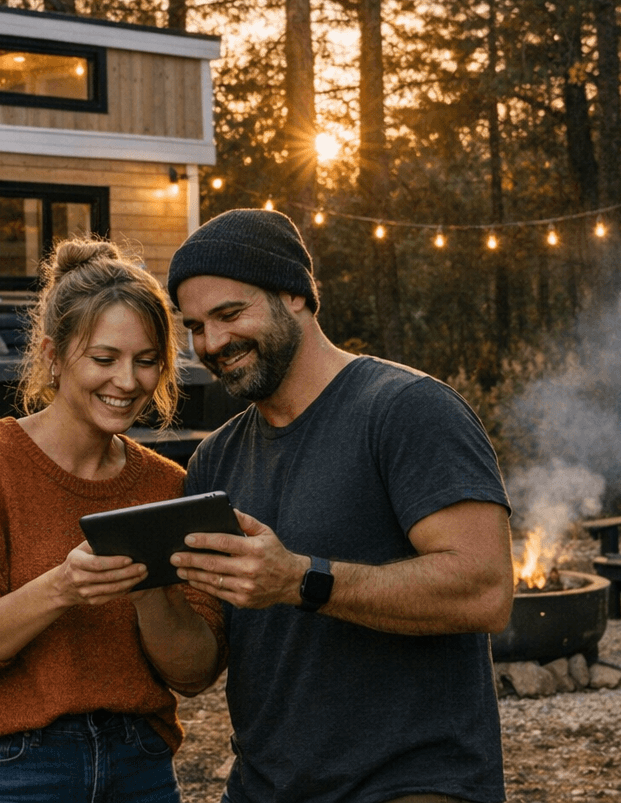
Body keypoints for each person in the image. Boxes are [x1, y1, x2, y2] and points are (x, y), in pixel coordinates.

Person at [165, 208, 515, 803]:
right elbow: (198, 670)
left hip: (412, 786)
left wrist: (302, 580)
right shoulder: (213, 462)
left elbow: (485, 590)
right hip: (263, 788)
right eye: (195, 326)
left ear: (294, 295)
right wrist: (142, 582)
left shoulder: (408, 410)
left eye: (230, 314)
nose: (212, 343)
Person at [0, 237, 227, 803]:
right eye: (104, 359)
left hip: (138, 767)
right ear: (52, 355)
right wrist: (60, 588)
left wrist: (152, 591)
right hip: (3, 767)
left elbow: (195, 673)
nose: (127, 381)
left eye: (147, 361)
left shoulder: (166, 487)